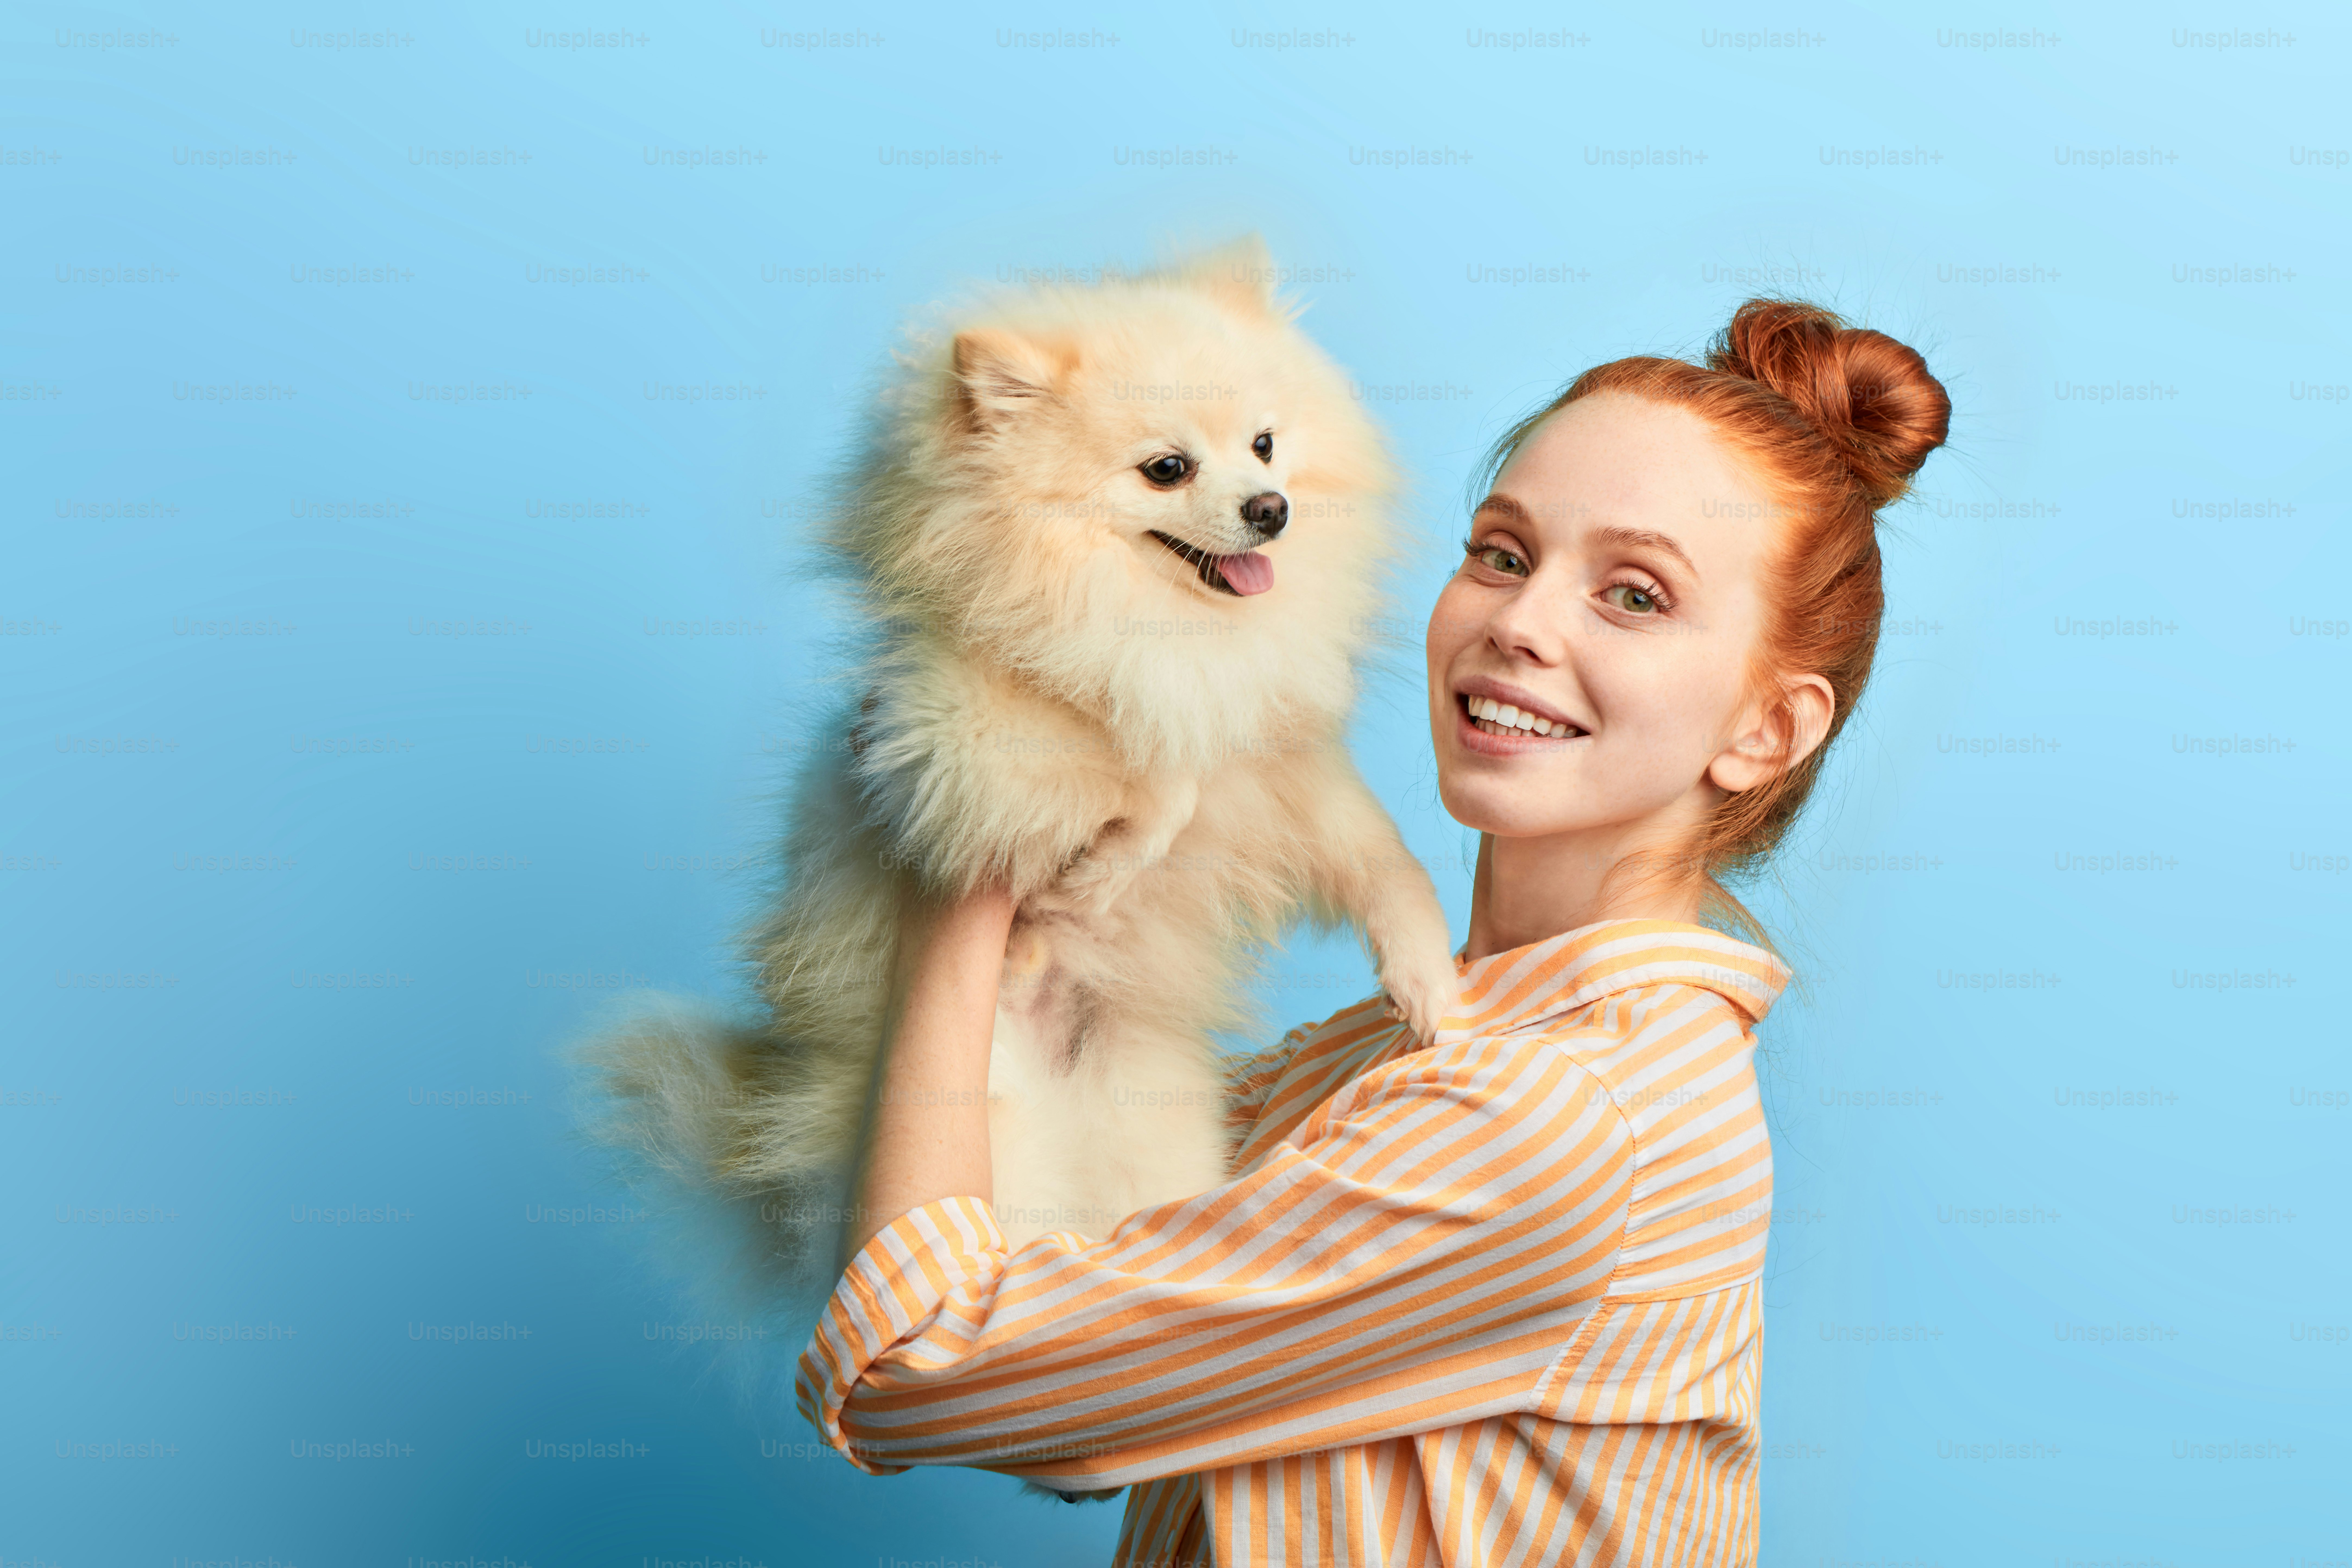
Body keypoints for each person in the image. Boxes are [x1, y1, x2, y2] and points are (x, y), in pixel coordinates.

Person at [794, 298, 1951, 1565]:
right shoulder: (1400, 1055)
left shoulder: (1551, 1118)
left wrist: (960, 867)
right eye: (1502, 553)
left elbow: (923, 1359)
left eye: (1632, 594)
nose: (1519, 621)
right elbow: (1063, 1238)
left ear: (1764, 732)